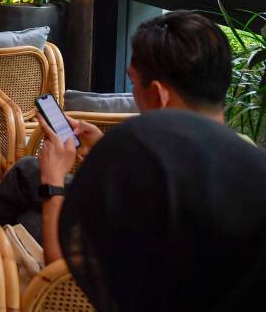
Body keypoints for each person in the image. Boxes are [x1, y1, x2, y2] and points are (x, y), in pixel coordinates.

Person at [0, 10, 244, 245]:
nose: (133, 92)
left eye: (133, 82)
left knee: (25, 217)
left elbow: (62, 279)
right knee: (26, 171)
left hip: (79, 278)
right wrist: (99, 146)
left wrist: (53, 183)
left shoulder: (162, 188)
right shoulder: (240, 159)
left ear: (158, 95)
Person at [57, 110, 266, 311]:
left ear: (159, 93)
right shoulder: (246, 165)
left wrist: (52, 184)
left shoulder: (150, 175)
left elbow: (62, 285)